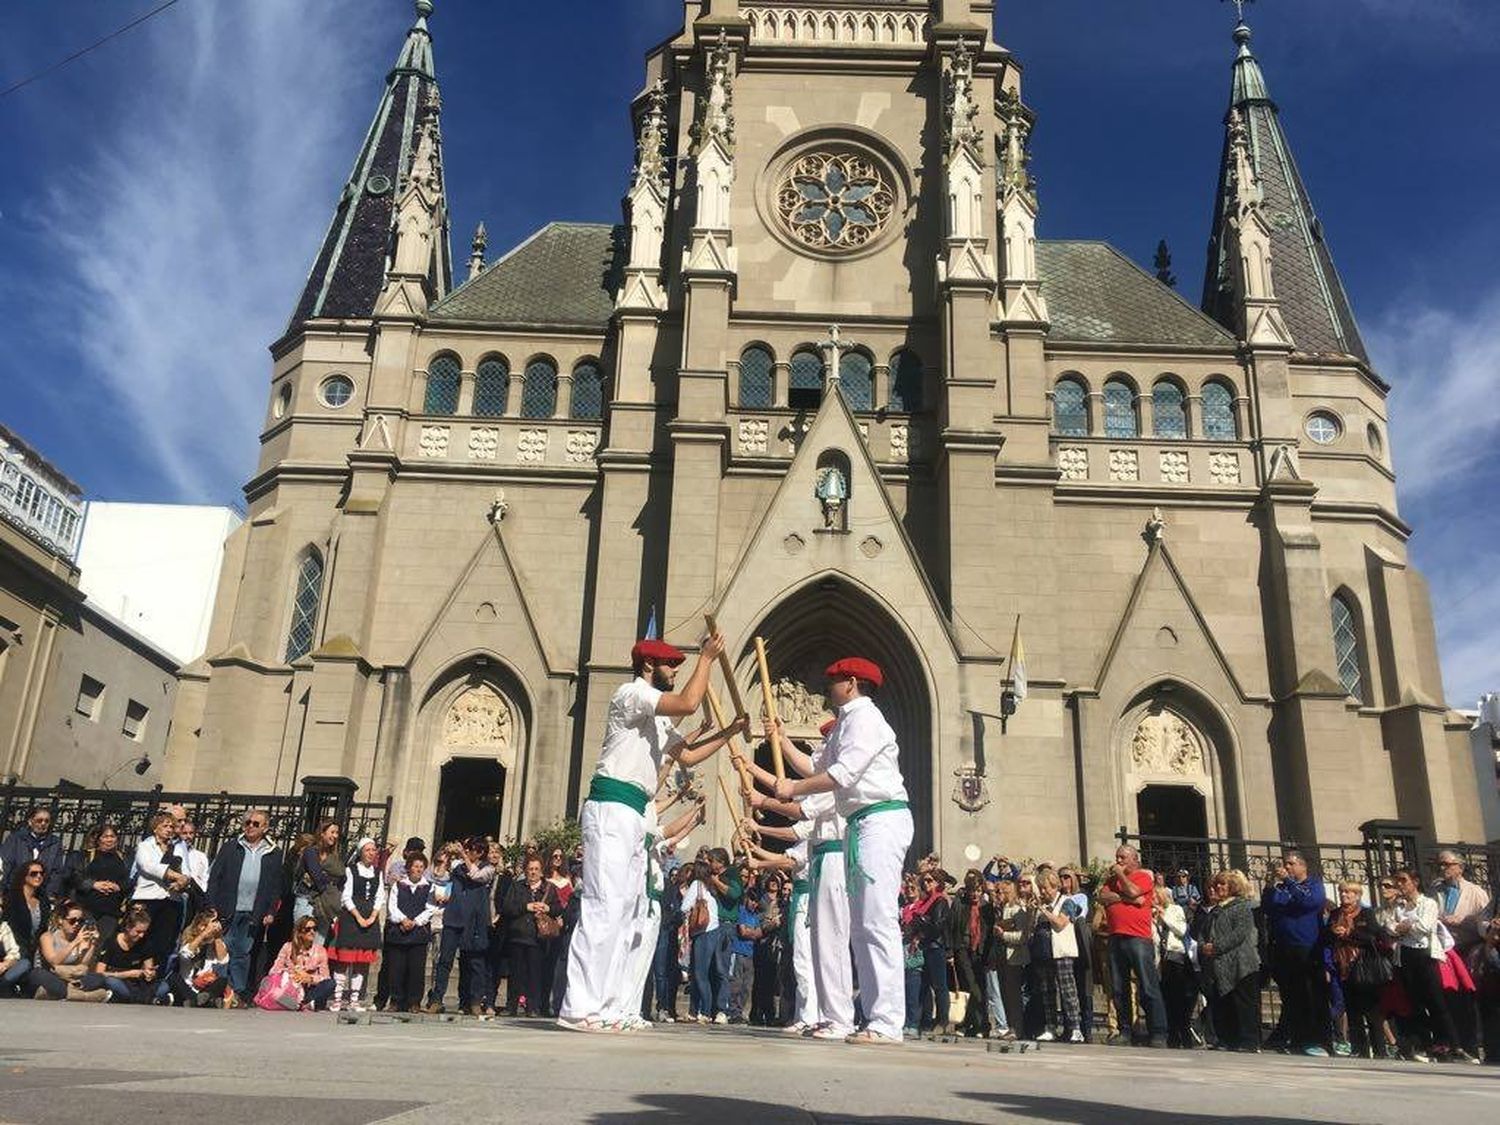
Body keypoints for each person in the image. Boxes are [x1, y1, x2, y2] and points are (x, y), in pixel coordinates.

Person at [559, 632, 738, 1034]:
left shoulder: (655, 719)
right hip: (611, 805)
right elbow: (689, 703)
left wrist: (730, 732)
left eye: (679, 664)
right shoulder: (631, 694)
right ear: (647, 666)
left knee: (625, 912)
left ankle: (607, 1005)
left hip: (633, 810)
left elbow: (687, 754)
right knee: (604, 905)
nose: (676, 669)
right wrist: (706, 658)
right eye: (670, 664)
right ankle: (578, 1005)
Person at [772, 657, 914, 1046]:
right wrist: (782, 740)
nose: (826, 685)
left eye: (833, 680)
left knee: (876, 921)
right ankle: (876, 1018)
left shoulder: (865, 719)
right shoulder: (846, 724)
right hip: (862, 823)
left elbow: (841, 776)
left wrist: (793, 792)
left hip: (880, 820)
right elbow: (813, 766)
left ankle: (886, 1021)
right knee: (863, 925)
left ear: (851, 683)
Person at [1378, 866, 1464, 1062]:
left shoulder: (1428, 903)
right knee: (1415, 1002)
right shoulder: (1399, 906)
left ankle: (1451, 1043)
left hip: (1425, 955)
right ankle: (1427, 1043)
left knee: (1435, 1001)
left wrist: (1405, 927)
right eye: (1397, 880)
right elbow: (1389, 927)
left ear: (1414, 882)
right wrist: (1401, 928)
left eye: (1403, 880)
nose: (1400, 884)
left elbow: (1425, 927)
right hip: (1406, 956)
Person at [206, 808, 283, 1005]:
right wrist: (211, 904)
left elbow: (275, 886)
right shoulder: (231, 847)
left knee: (242, 952)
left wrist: (271, 911)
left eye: (256, 824)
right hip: (228, 907)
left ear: (265, 827)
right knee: (223, 949)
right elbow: (215, 878)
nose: (250, 826)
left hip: (252, 911)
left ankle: (237, 992)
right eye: (247, 822)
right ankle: (218, 989)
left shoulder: (273, 852)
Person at [1095, 844, 1168, 1047]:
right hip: (1115, 937)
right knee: (1119, 988)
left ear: (1134, 860)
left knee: (1148, 986)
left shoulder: (1143, 877)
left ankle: (1158, 1032)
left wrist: (1122, 878)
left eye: (1122, 858)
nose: (1118, 861)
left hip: (1138, 938)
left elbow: (1135, 890)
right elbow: (1103, 897)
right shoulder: (1110, 882)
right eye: (1117, 857)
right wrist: (1129, 898)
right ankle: (1125, 1029)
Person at [1260, 849, 1329, 1056]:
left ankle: (1318, 1039)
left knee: (1310, 994)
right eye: (1285, 864)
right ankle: (1295, 1038)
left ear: (1302, 865)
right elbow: (1269, 908)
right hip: (1283, 947)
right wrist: (1270, 886)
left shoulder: (1313, 885)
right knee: (1290, 996)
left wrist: (1289, 883)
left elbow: (1308, 902)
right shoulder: (1282, 888)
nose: (1287, 867)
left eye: (1291, 864)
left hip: (1306, 947)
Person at [1433, 850, 1490, 1059]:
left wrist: (1465, 921)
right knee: (1450, 997)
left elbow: (1486, 921)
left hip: (1467, 946)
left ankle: (1473, 1044)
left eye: (1447, 864)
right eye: (1439, 865)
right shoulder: (1435, 890)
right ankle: (1455, 1043)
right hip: (1445, 950)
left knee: (1469, 998)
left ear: (1460, 867)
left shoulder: (1475, 892)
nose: (1442, 869)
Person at [1327, 878, 1392, 1059]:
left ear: (1357, 895)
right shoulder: (1335, 914)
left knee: (1372, 1010)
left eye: (1349, 892)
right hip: (1343, 964)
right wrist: (1332, 932)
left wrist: (1349, 933)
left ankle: (1380, 1050)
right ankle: (1359, 1048)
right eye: (1342, 892)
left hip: (1363, 964)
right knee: (1352, 1009)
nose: (1344, 895)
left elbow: (1372, 936)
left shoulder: (1366, 913)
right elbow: (1326, 936)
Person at [1200, 870, 1260, 1052]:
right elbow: (1204, 932)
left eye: (1223, 884)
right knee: (1223, 1002)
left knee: (1243, 1003)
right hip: (1220, 964)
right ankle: (1227, 1038)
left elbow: (1240, 933)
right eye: (1217, 884)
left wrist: (1216, 947)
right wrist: (1203, 946)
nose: (1218, 887)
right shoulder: (1215, 910)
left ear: (1233, 887)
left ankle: (1249, 1040)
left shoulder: (1242, 907)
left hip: (1241, 964)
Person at [329, 836, 386, 1012]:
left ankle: (354, 999)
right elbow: (346, 896)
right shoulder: (351, 870)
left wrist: (373, 916)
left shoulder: (378, 872)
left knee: (362, 962)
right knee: (344, 960)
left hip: (370, 916)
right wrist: (359, 917)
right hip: (351, 917)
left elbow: (380, 896)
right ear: (361, 852)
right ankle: (337, 998)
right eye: (368, 850)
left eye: (373, 850)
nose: (371, 853)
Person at [500, 855, 562, 1017]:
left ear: (541, 872)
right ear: (525, 871)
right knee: (515, 974)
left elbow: (558, 908)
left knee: (535, 974)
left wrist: (547, 908)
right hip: (518, 935)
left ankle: (532, 1007)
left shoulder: (549, 888)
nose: (533, 873)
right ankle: (511, 1005)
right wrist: (525, 907)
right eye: (530, 869)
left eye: (536, 869)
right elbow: (507, 908)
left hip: (537, 937)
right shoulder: (517, 886)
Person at [131, 811, 192, 968]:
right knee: (143, 938)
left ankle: (157, 978)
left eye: (172, 826)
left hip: (171, 900)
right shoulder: (145, 846)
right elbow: (148, 866)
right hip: (148, 899)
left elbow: (186, 871)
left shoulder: (177, 848)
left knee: (164, 941)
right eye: (165, 826)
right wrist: (175, 876)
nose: (169, 829)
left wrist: (182, 881)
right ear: (155, 828)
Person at [1034, 869, 1083, 1043]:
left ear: (1055, 887)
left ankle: (1075, 1028)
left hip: (1062, 953)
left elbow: (1060, 923)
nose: (1042, 892)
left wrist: (1043, 911)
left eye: (1045, 888)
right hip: (1044, 953)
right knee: (1047, 993)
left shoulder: (1066, 902)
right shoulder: (1040, 905)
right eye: (1040, 888)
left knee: (1068, 991)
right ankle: (1051, 1027)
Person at [383, 852, 435, 1013]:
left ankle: (414, 1002)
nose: (418, 870)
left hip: (418, 933)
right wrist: (403, 920)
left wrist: (416, 921)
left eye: (421, 867)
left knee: (416, 970)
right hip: (399, 932)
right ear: (409, 868)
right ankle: (396, 1000)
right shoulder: (399, 885)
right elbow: (392, 906)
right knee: (396, 969)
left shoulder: (429, 887)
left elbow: (430, 907)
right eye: (415, 866)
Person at [983, 876, 1033, 1041]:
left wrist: (1003, 934)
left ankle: (1017, 1028)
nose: (996, 895)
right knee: (1005, 994)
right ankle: (1011, 1026)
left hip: (1014, 958)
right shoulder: (1001, 909)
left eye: (999, 892)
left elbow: (1022, 936)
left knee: (1013, 995)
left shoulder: (1017, 910)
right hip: (1002, 958)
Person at [63, 824, 129, 946]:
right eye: (105, 836)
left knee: (103, 944)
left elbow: (128, 881)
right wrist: (94, 884)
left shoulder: (122, 858)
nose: (109, 840)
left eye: (112, 836)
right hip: (87, 907)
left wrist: (118, 887)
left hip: (110, 910)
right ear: (98, 839)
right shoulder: (86, 856)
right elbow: (74, 877)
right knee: (84, 942)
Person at [29, 899, 102, 1000]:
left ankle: (54, 995)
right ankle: (84, 996)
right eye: (72, 921)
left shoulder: (80, 937)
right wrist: (74, 942)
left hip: (71, 977)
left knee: (99, 978)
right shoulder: (48, 936)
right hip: (51, 975)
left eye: (80, 921)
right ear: (60, 920)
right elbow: (54, 961)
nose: (76, 924)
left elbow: (83, 964)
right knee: (37, 974)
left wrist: (93, 943)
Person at [84, 905, 157, 1003]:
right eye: (138, 932)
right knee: (111, 982)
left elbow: (149, 968)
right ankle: (143, 999)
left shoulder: (146, 943)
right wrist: (126, 974)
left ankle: (134, 998)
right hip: (116, 978)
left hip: (136, 983)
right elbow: (100, 973)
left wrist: (150, 974)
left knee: (163, 986)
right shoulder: (111, 942)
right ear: (128, 927)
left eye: (144, 932)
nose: (141, 936)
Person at [1152, 884, 1194, 1048]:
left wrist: (1164, 917)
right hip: (1160, 960)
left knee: (1179, 998)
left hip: (1175, 956)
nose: (1152, 900)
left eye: (1154, 897)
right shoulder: (1152, 913)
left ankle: (1184, 1033)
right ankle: (1172, 1035)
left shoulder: (1175, 909)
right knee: (1165, 998)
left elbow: (1182, 930)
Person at [681, 852, 721, 1023]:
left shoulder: (696, 885)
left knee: (699, 973)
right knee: (700, 972)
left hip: (703, 932)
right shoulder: (709, 888)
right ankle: (694, 1010)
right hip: (711, 931)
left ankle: (704, 1010)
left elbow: (684, 907)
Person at [1, 860, 49, 995]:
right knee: (24, 965)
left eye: (41, 873)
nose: (38, 876)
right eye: (34, 873)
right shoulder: (11, 898)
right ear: (24, 876)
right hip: (11, 951)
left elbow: (42, 930)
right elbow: (6, 927)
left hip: (33, 951)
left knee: (32, 971)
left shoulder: (42, 900)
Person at [168, 907, 231, 1008]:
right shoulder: (189, 940)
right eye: (204, 926)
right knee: (173, 978)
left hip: (205, 987)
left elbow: (223, 960)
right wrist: (204, 933)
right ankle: (203, 1002)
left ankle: (197, 1001)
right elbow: (185, 954)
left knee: (222, 980)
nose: (208, 929)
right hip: (188, 986)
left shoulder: (214, 943)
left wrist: (217, 937)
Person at [270, 915, 336, 1010]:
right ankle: (303, 1004)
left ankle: (303, 1003)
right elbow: (274, 970)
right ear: (300, 932)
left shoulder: (320, 950)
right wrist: (293, 975)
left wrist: (309, 978)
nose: (312, 932)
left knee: (330, 983)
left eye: (314, 929)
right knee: (275, 988)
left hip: (311, 990)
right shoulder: (288, 947)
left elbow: (325, 977)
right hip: (292, 987)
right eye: (308, 929)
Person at [294, 820, 344, 943]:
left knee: (318, 945)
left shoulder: (334, 856)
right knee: (302, 942)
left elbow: (342, 877)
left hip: (325, 904)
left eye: (337, 833)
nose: (335, 836)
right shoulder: (311, 851)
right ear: (322, 833)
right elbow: (317, 877)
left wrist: (327, 878)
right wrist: (330, 879)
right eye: (332, 832)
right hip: (307, 900)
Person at [0, 805, 65, 898]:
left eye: (47, 821)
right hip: (15, 890)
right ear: (30, 822)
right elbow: (5, 865)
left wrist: (50, 893)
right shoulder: (16, 839)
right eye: (39, 820)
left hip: (41, 892)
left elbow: (57, 871)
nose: (43, 823)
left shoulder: (55, 842)